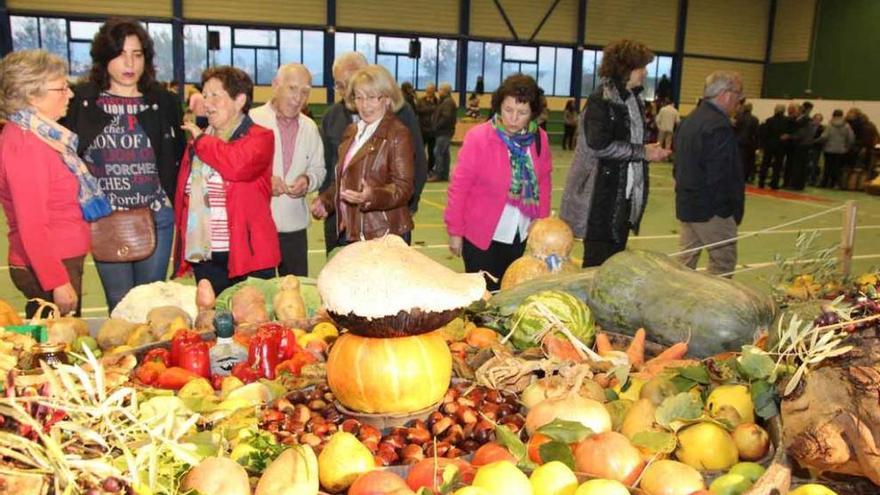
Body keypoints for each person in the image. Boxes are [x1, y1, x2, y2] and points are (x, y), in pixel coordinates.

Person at [62, 18, 185, 313]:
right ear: (104, 58)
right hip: (105, 220)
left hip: (157, 217)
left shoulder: (163, 102)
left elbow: (177, 155)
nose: (129, 63)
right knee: (118, 308)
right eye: (120, 54)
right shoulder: (81, 101)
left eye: (137, 54)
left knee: (151, 306)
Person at [0, 50, 111, 317]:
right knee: (56, 348)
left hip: (56, 260)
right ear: (31, 96)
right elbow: (32, 224)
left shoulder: (41, 137)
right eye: (61, 88)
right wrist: (57, 281)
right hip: (50, 265)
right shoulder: (26, 145)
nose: (70, 94)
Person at [560, 39, 670, 268]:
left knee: (613, 264)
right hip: (599, 199)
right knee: (595, 265)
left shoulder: (634, 100)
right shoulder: (601, 100)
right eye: (642, 67)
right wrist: (642, 152)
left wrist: (646, 150)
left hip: (624, 198)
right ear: (627, 68)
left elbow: (628, 141)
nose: (645, 72)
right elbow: (599, 145)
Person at [174, 66, 279, 295]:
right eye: (205, 94)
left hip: (248, 254)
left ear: (239, 100)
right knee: (213, 322)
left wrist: (201, 140)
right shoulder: (197, 142)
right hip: (206, 255)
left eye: (215, 96)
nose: (207, 103)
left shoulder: (260, 137)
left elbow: (236, 165)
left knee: (252, 324)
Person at [445, 74, 552, 291]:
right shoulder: (479, 137)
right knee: (483, 301)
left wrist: (540, 220)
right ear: (498, 106)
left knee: (511, 297)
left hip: (522, 235)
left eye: (522, 113)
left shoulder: (540, 138)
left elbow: (544, 181)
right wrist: (455, 232)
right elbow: (459, 187)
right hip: (482, 238)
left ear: (533, 113)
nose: (513, 118)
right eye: (508, 109)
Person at [321, 52, 426, 253]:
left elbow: (405, 187)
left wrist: (373, 196)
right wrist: (326, 201)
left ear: (387, 99)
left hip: (384, 232)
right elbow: (342, 178)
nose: (364, 104)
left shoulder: (398, 132)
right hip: (352, 230)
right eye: (358, 97)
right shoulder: (353, 131)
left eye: (371, 97)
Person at [249, 64, 325, 277]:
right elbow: (238, 171)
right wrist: (264, 182)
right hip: (256, 227)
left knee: (294, 296)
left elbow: (319, 169)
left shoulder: (310, 127)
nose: (298, 98)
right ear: (275, 86)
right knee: (257, 296)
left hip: (295, 230)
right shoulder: (252, 121)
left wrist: (308, 180)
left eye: (305, 92)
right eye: (292, 88)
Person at [673, 71, 745, 276]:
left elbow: (678, 164)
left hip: (688, 204)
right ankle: (716, 308)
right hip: (712, 210)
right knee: (722, 265)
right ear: (726, 94)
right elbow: (721, 173)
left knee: (684, 265)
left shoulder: (691, 119)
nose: (739, 101)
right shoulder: (718, 125)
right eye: (739, 95)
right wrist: (726, 210)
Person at [818, 109, 855, 189]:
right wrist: (847, 147)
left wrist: (817, 141)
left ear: (833, 115)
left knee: (827, 167)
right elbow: (851, 138)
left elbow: (824, 137)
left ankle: (824, 183)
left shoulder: (830, 125)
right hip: (841, 150)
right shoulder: (847, 126)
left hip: (829, 150)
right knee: (837, 168)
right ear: (842, 116)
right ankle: (839, 184)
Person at [428, 82, 457, 182]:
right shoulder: (445, 101)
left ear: (445, 91)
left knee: (438, 152)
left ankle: (439, 174)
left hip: (444, 131)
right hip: (445, 131)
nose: (438, 91)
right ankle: (444, 174)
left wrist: (436, 126)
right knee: (444, 153)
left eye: (440, 89)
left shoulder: (447, 102)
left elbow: (446, 117)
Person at [758, 104, 787, 189]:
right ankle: (774, 183)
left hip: (769, 145)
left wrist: (762, 145)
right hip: (780, 146)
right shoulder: (786, 121)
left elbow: (763, 133)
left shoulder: (769, 120)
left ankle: (761, 182)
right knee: (777, 166)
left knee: (765, 164)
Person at [734, 101, 759, 184]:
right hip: (750, 143)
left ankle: (738, 176)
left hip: (739, 142)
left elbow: (734, 130)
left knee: (740, 160)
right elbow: (756, 132)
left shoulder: (738, 118)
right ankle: (747, 177)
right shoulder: (755, 119)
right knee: (749, 161)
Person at [417, 83, 439, 173]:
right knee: (420, 151)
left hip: (433, 131)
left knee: (432, 152)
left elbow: (438, 111)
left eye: (431, 91)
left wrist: (429, 108)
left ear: (434, 91)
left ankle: (430, 169)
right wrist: (431, 109)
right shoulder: (420, 100)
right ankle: (420, 168)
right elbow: (418, 110)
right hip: (422, 129)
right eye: (428, 90)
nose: (429, 92)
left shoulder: (437, 101)